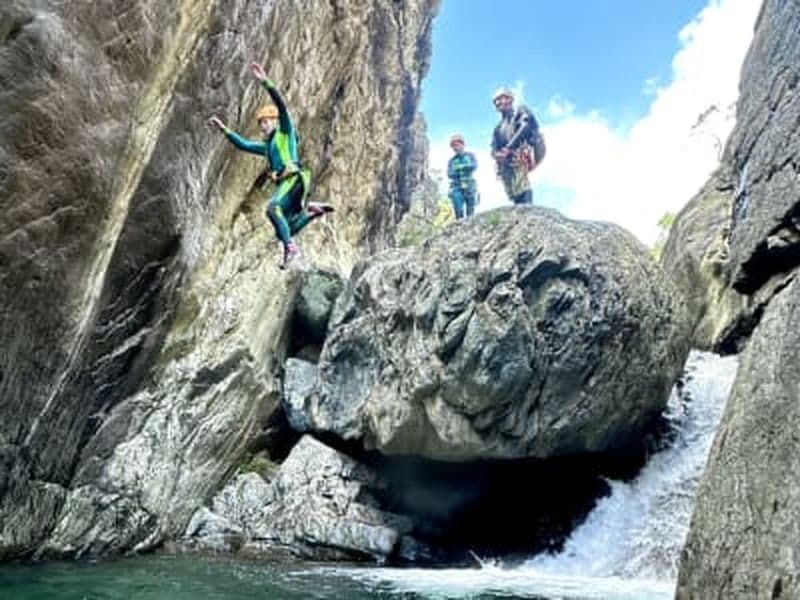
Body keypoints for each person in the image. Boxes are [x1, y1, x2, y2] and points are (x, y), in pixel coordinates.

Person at [209, 62, 333, 268]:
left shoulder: (285, 133)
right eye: (261, 123)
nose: (263, 126)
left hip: (294, 179)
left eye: (266, 121)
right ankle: (312, 213)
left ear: (275, 121)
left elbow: (282, 106)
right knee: (283, 229)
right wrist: (224, 129)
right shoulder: (267, 147)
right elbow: (245, 145)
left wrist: (265, 81)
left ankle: (291, 248)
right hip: (290, 185)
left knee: (272, 208)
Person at [490, 87, 542, 205]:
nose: (498, 103)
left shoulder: (521, 111)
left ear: (509, 99)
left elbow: (526, 125)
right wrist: (497, 156)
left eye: (500, 99)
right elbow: (493, 147)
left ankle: (527, 207)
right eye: (496, 101)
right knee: (514, 191)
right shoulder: (498, 129)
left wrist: (509, 147)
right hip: (507, 164)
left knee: (523, 186)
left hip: (521, 155)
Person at [446, 134, 478, 219]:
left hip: (470, 186)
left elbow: (474, 166)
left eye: (457, 145)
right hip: (457, 187)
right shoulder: (452, 160)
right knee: (458, 209)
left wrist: (460, 168)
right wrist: (462, 169)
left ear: (462, 145)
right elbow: (449, 174)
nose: (455, 148)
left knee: (470, 211)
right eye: (453, 146)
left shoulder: (470, 155)